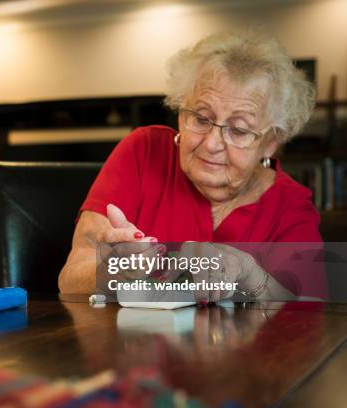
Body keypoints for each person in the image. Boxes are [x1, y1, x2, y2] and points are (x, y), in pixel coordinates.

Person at [58, 30, 325, 301]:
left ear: (271, 142)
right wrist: (115, 272)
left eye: (239, 130)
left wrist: (251, 274)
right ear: (180, 108)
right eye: (201, 118)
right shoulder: (142, 152)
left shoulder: (290, 205)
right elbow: (70, 277)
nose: (211, 144)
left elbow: (315, 314)